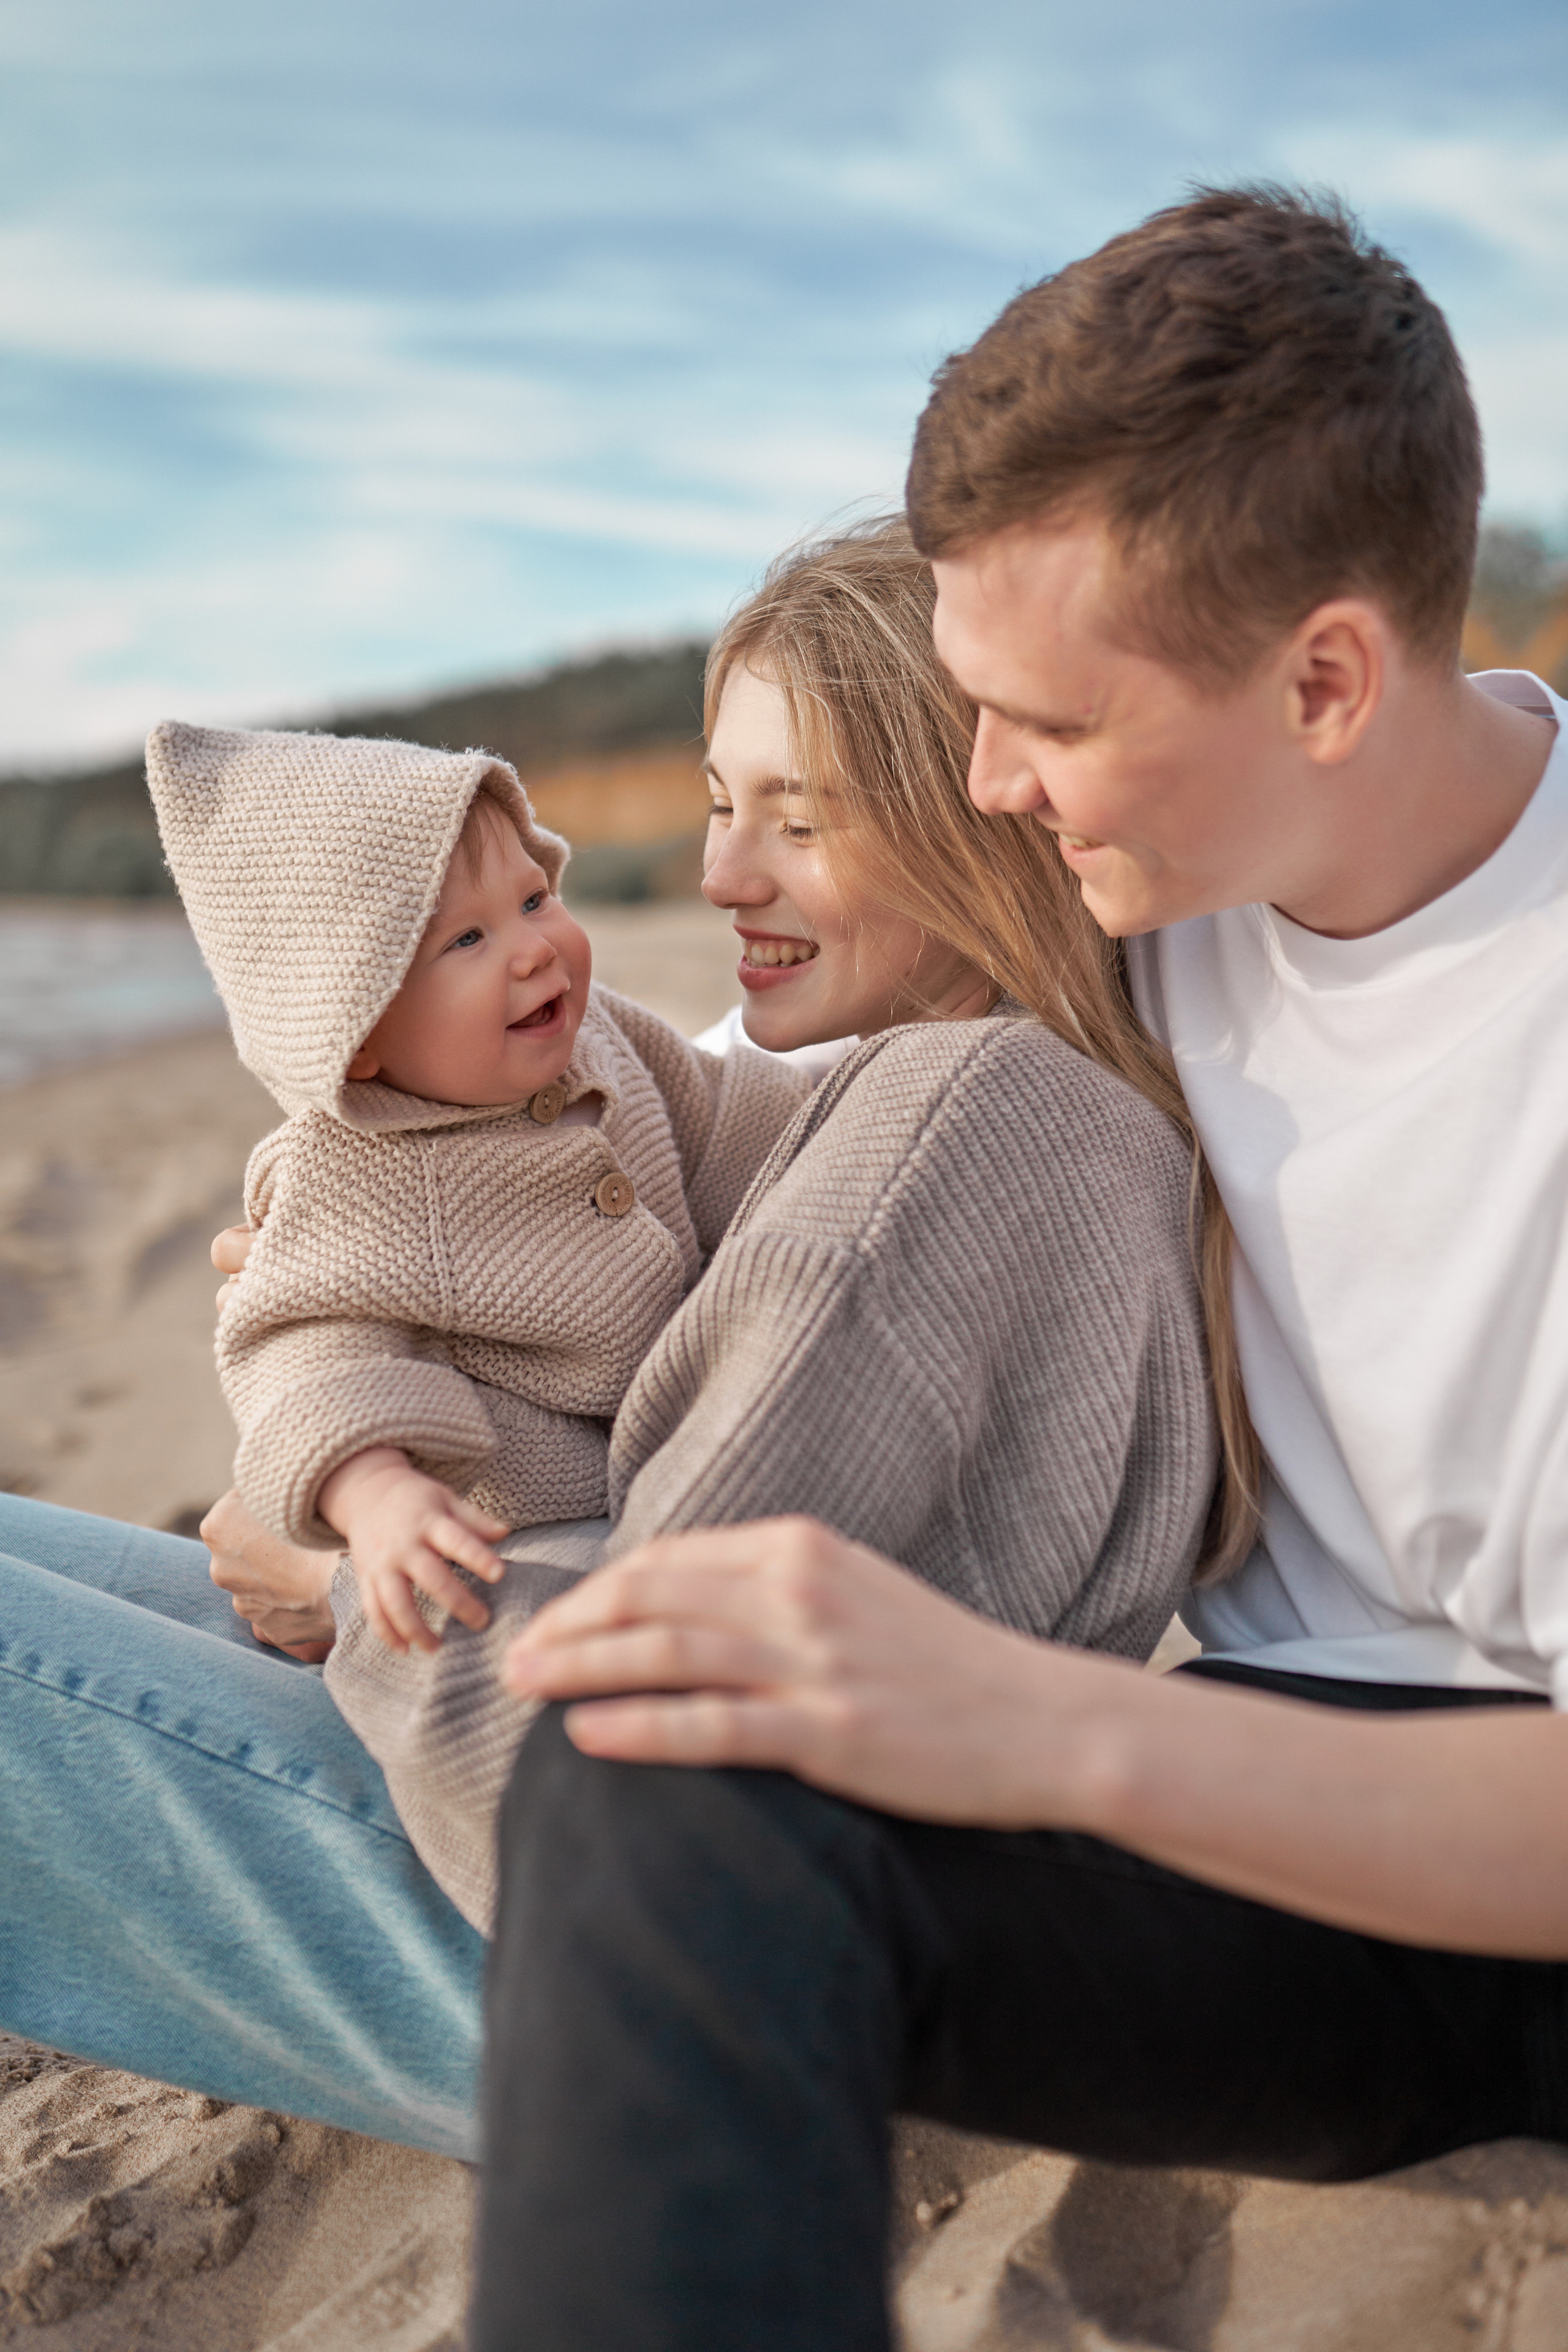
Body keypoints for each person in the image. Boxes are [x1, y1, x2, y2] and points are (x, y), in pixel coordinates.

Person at [472, 189, 1568, 2352]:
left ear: (1327, 677)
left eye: (1045, 725)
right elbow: (709, 1090)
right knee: (653, 1752)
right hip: (1215, 1767)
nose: (987, 785)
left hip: (1486, 1885)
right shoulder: (1171, 863)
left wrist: (1041, 1729)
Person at [0, 519, 1227, 2155]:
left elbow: (603, 1740)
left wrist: (334, 1578)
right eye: (722, 808)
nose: (718, 878)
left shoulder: (967, 1126)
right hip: (695, 1841)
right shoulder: (936, 1112)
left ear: (980, 809)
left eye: (799, 819)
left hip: (640, 1958)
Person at [146, 720, 809, 1653]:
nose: (534, 950)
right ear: (357, 1033)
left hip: (689, 1456)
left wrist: (848, 1120)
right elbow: (304, 1350)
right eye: (466, 938)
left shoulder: (606, 1038)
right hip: (521, 1518)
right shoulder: (353, 1172)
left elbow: (739, 1119)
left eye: (535, 899)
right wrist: (374, 1491)